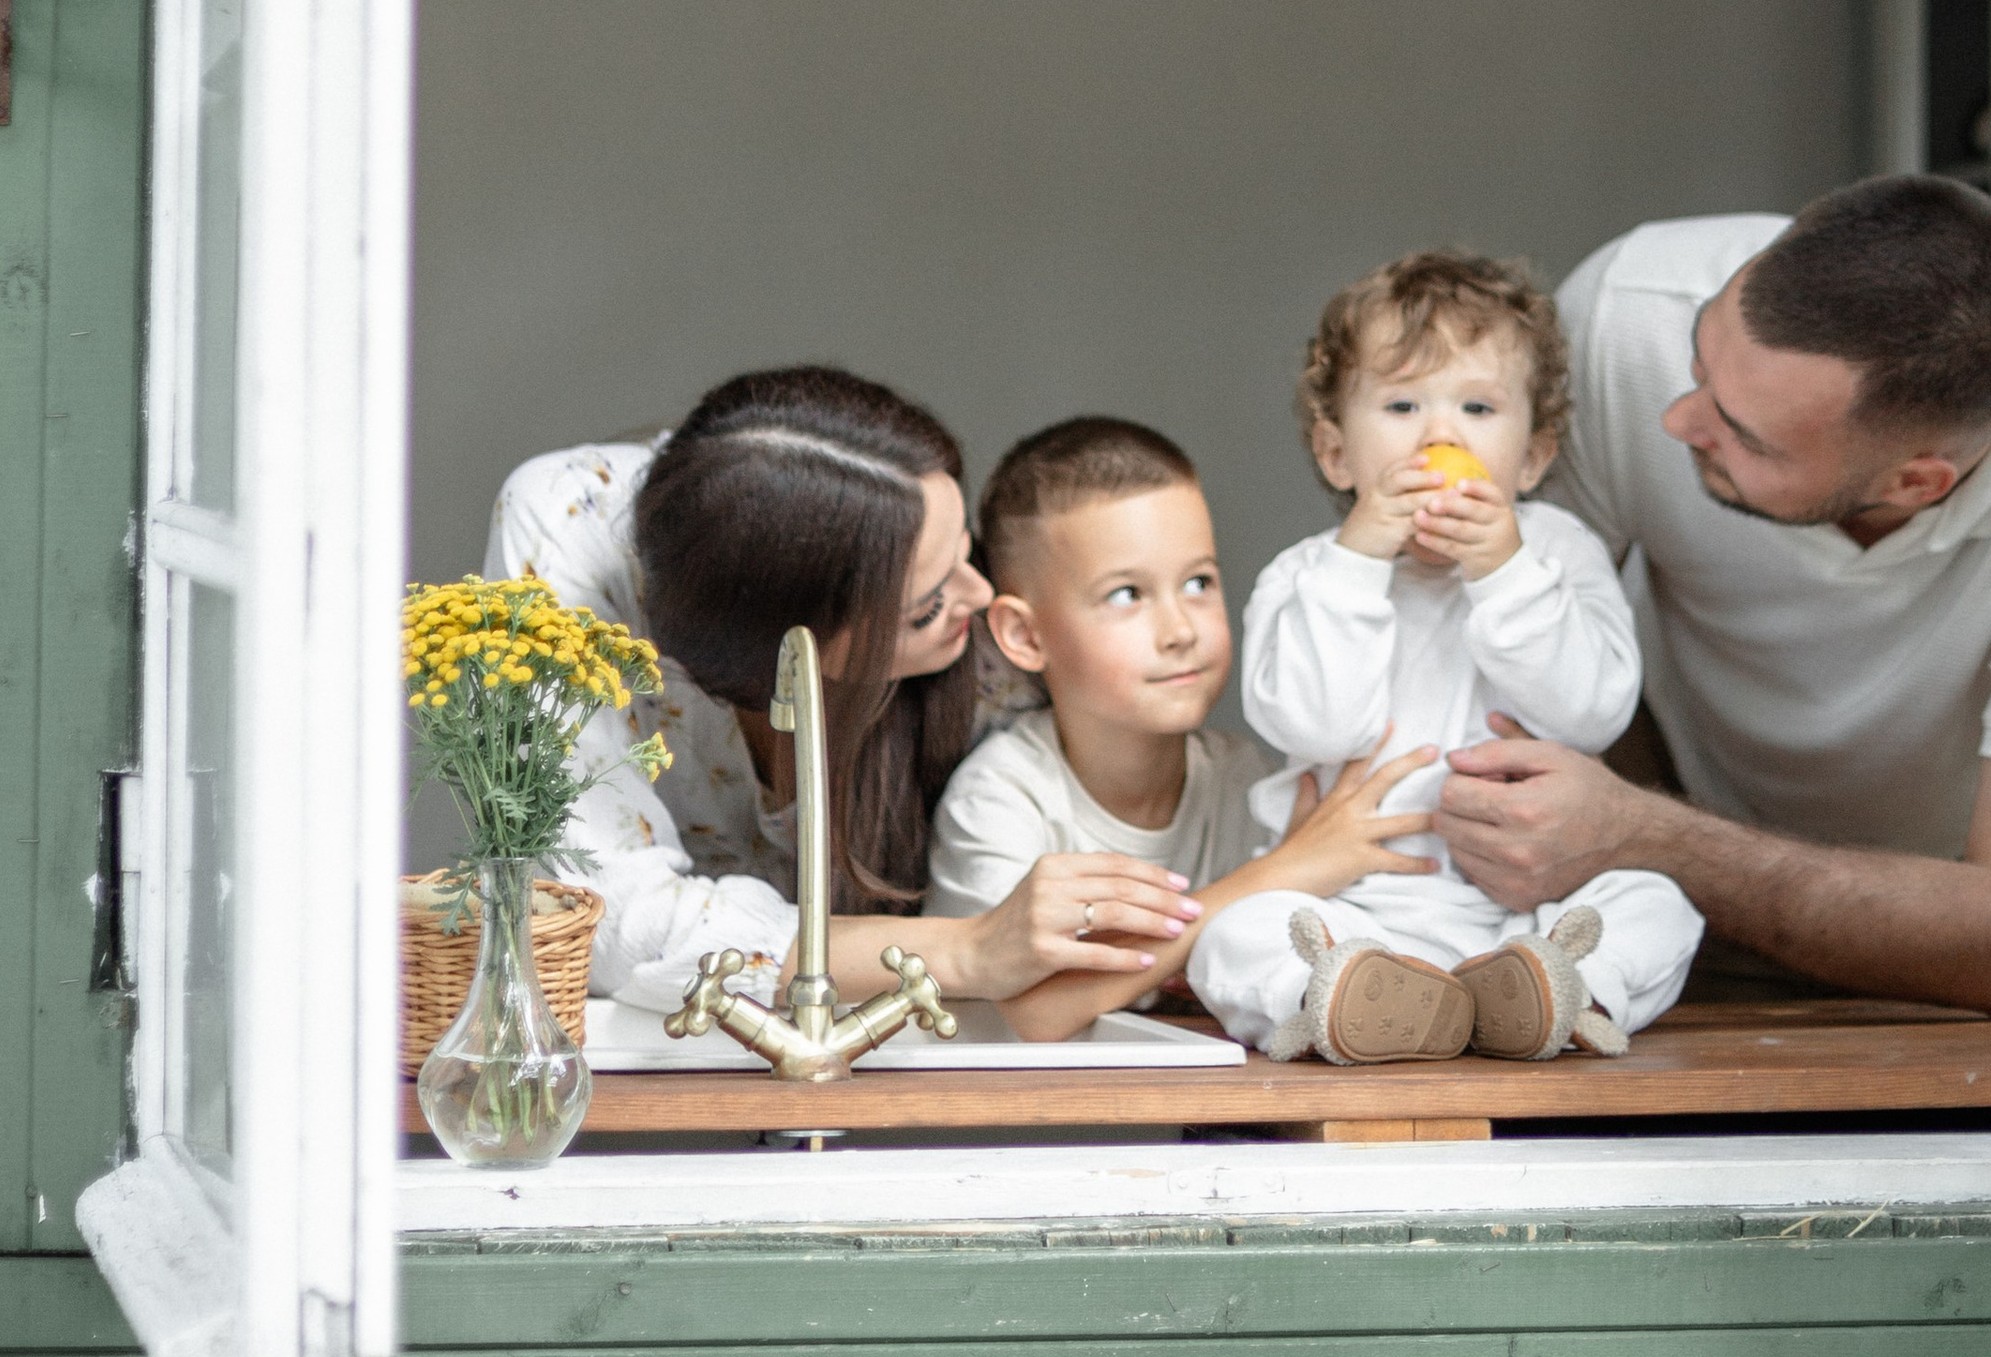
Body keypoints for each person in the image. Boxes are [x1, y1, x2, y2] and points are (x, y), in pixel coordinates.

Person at [1434, 178, 1991, 1021]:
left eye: (1744, 434)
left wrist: (1646, 834)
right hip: (1652, 917)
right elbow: (1516, 656)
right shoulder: (1629, 312)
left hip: (1941, 965)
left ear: (1914, 483)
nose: (1678, 421)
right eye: (1698, 363)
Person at [485, 365, 1206, 1015]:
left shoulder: (990, 646)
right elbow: (603, 916)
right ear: (786, 649)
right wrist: (969, 949)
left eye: (965, 550)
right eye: (926, 607)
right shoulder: (569, 533)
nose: (981, 594)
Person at [1187, 252, 1704, 1064]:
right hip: (1357, 908)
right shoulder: (1309, 574)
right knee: (1232, 935)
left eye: (1477, 406)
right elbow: (1317, 725)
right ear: (1336, 453)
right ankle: (1343, 998)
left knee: (1658, 904)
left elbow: (1592, 714)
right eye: (1401, 405)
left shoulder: (1558, 553)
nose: (1440, 435)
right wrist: (1359, 559)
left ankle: (1558, 991)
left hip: (1532, 908)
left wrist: (1503, 571)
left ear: (1533, 457)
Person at [925, 414, 1441, 1038]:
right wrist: (1282, 870)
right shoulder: (1000, 798)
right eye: (1126, 595)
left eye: (1198, 583)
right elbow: (1035, 1008)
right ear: (1026, 636)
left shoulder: (1243, 780)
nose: (1180, 631)